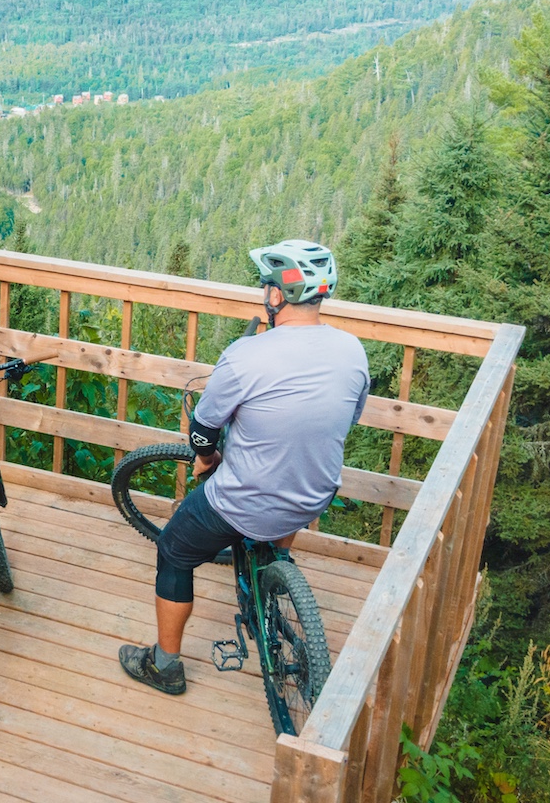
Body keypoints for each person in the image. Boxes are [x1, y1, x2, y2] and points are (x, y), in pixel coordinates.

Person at [120, 238, 369, 694]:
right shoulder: (353, 351)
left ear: (276, 296)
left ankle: (165, 665)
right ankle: (276, 565)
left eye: (265, 287)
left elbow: (202, 430)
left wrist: (209, 458)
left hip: (245, 501)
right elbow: (347, 419)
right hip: (315, 492)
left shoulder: (247, 355)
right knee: (280, 509)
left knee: (174, 549)